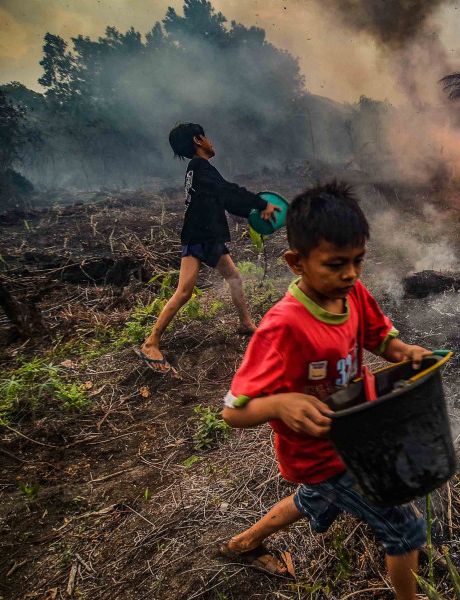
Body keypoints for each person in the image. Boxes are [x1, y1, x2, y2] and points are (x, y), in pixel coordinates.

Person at [218, 181, 431, 600]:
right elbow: (233, 411)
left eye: (357, 261)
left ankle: (244, 544)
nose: (350, 274)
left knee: (314, 500)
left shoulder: (352, 294)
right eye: (335, 264)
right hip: (320, 454)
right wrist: (281, 402)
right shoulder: (284, 327)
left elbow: (380, 337)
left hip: (353, 435)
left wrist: (402, 350)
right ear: (296, 262)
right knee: (402, 525)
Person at [138, 123, 280, 373]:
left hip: (208, 235)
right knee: (184, 291)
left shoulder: (198, 170)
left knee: (234, 278)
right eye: (207, 137)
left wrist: (255, 209)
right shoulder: (200, 166)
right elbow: (227, 190)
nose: (211, 142)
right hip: (198, 237)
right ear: (198, 139)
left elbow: (224, 200)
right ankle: (151, 343)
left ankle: (245, 324)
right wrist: (261, 203)